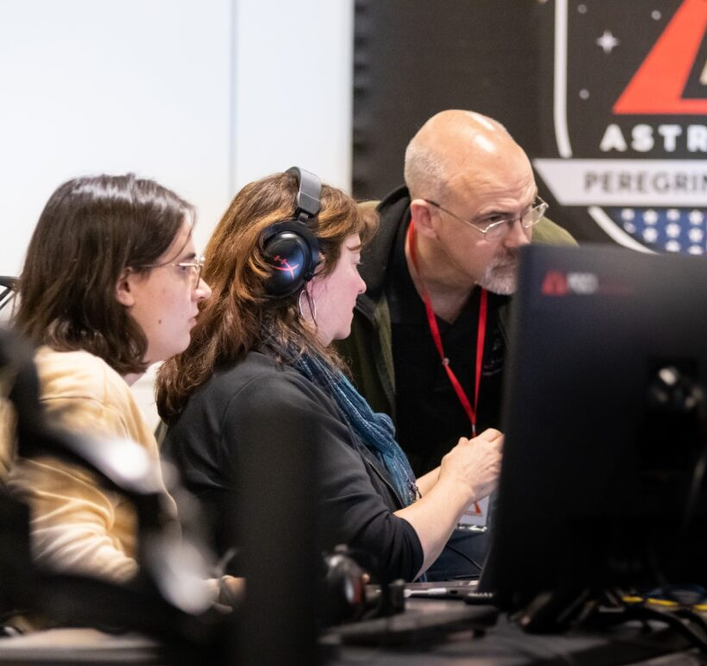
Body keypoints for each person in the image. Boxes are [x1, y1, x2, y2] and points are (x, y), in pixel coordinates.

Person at [156, 169, 503, 583]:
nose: (360, 286)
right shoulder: (265, 394)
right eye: (354, 262)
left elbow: (365, 517)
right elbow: (382, 556)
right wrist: (461, 483)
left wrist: (454, 475)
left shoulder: (265, 374)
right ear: (301, 269)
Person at [336, 110, 575, 478]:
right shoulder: (343, 267)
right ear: (427, 218)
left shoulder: (553, 263)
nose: (521, 240)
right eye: (494, 220)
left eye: (528, 210)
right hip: (386, 510)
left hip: (503, 505)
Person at [4, 174, 212, 584]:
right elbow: (68, 565)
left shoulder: (64, 372)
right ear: (124, 284)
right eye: (186, 267)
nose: (202, 289)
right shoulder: (81, 381)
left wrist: (219, 594)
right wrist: (211, 606)